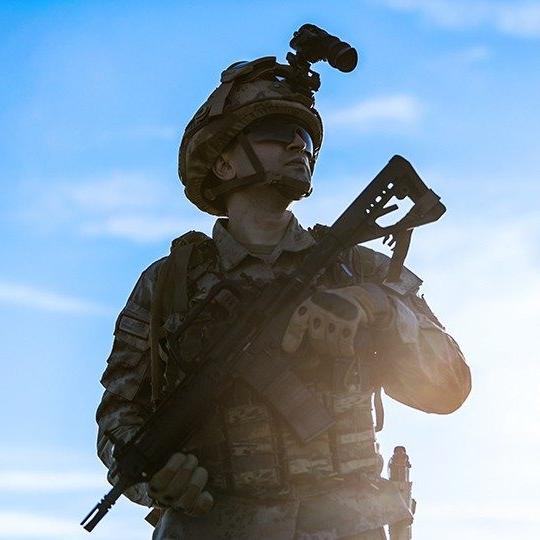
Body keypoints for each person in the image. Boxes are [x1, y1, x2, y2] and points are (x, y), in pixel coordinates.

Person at [95, 56, 471, 539]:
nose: (299, 144)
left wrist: (378, 306)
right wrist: (157, 481)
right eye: (275, 130)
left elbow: (449, 388)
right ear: (223, 162)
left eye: (307, 137)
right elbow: (117, 417)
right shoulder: (170, 284)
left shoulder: (359, 269)